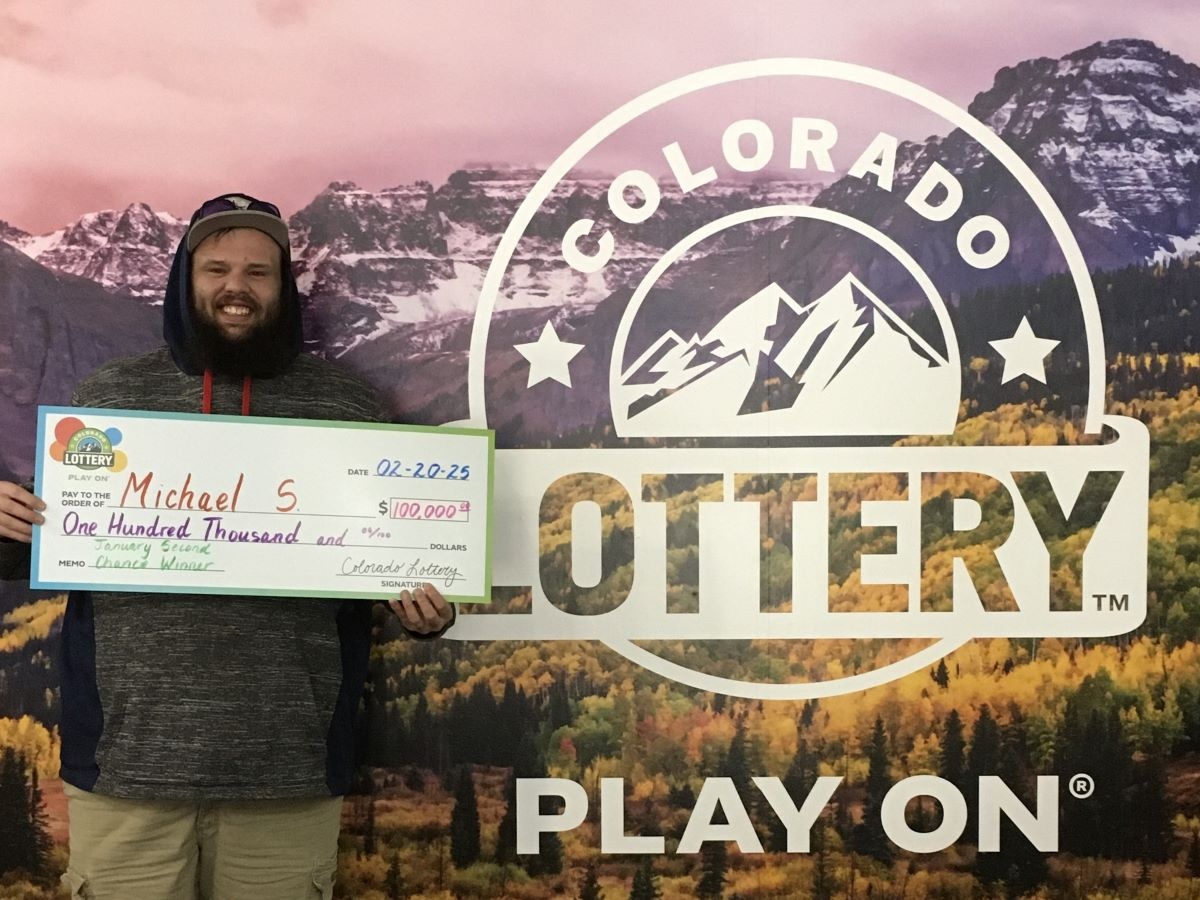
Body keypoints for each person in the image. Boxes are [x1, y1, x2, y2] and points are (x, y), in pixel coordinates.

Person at [0, 192, 455, 900]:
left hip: (289, 774)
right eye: (216, 269)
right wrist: (6, 525)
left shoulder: (346, 406)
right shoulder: (110, 396)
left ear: (284, 287)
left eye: (257, 272)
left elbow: (394, 560)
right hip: (127, 772)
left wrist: (425, 609)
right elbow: (45, 540)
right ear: (187, 281)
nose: (235, 287)